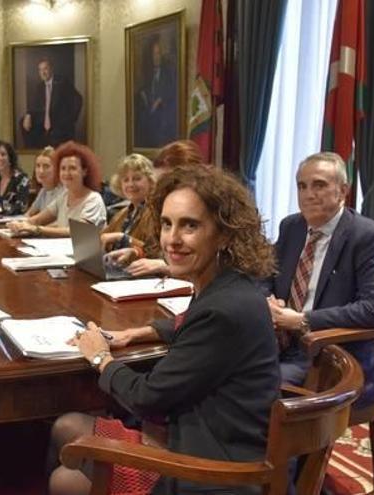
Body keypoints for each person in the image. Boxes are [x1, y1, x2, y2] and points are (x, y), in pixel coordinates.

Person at [48, 166, 279, 495]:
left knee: (63, 479)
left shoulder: (223, 309)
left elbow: (146, 398)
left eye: (190, 225)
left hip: (213, 470)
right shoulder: (229, 285)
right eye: (167, 224)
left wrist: (100, 357)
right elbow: (189, 325)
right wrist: (134, 334)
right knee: (65, 425)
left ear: (225, 233)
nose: (172, 239)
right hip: (199, 432)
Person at [263, 151, 374, 408]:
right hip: (277, 340)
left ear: (343, 190)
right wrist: (268, 300)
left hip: (326, 353)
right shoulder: (292, 226)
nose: (308, 194)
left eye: (319, 185)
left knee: (256, 387)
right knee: (222, 366)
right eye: (302, 186)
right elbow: (264, 273)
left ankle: (289, 448)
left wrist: (303, 321)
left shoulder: (367, 237)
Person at [106, 140, 206, 276]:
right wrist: (136, 252)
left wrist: (164, 265)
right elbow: (155, 249)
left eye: (170, 184)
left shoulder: (208, 212)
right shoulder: (161, 208)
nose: (162, 191)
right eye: (161, 184)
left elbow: (210, 264)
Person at [8, 141, 106, 237]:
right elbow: (37, 220)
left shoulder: (93, 199)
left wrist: (37, 229)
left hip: (85, 253)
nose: (66, 173)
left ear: (84, 171)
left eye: (72, 168)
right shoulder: (64, 196)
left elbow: (77, 232)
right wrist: (18, 224)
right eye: (63, 168)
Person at [99, 153, 160, 259]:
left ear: (151, 181)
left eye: (137, 178)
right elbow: (102, 239)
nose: (130, 184)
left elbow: (155, 251)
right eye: (126, 180)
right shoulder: (121, 213)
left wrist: (123, 238)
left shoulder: (155, 212)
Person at [20, 58, 83, 148]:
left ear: (51, 69)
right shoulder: (40, 87)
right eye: (40, 70)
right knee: (22, 122)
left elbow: (78, 99)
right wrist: (28, 115)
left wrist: (71, 119)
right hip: (44, 125)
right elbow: (34, 105)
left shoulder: (62, 82)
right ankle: (30, 151)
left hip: (59, 126)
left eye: (45, 69)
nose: (43, 72)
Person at [134, 36, 178, 149]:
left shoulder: (168, 73)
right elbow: (146, 94)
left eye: (158, 54)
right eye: (154, 54)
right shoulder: (149, 74)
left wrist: (160, 99)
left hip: (164, 124)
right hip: (151, 125)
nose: (156, 57)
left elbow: (173, 92)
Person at [26, 146, 64, 217]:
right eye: (38, 166)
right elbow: (28, 214)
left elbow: (58, 223)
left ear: (57, 169)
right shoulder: (43, 191)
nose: (41, 171)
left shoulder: (63, 192)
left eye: (46, 166)